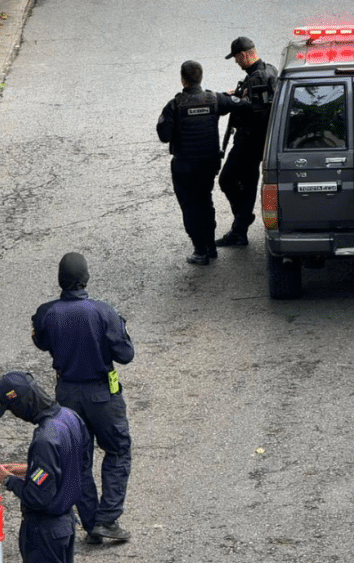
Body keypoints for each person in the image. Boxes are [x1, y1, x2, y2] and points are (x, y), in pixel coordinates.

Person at [31, 252, 134, 544]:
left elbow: (41, 342)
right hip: (103, 393)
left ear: (60, 280)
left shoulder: (46, 313)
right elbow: (126, 355)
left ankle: (91, 523)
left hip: (66, 394)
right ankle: (108, 518)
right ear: (86, 278)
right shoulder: (103, 312)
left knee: (77, 457)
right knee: (117, 450)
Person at [0, 370, 93, 563]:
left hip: (44, 533)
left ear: (22, 404)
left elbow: (38, 496)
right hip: (66, 525)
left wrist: (9, 480)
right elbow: (78, 464)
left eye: (13, 409)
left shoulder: (44, 440)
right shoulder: (70, 417)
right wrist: (30, 469)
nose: (16, 416)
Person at [157, 60, 250, 265]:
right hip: (208, 165)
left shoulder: (174, 105)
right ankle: (210, 246)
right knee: (205, 201)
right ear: (200, 78)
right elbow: (244, 105)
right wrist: (237, 96)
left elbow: (164, 135)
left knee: (190, 206)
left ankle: (200, 251)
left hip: (185, 167)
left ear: (183, 80)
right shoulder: (214, 99)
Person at [215, 37, 279, 248]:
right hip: (259, 142)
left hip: (249, 142)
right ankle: (240, 230)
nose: (236, 62)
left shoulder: (257, 78)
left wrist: (236, 102)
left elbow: (256, 113)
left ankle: (242, 219)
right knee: (249, 186)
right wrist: (241, 95)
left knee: (227, 180)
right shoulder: (268, 69)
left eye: (236, 58)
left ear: (243, 55)